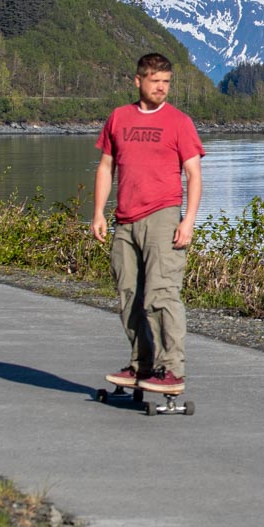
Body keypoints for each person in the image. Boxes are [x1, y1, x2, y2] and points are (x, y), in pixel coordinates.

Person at [92, 53, 204, 394]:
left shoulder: (179, 122)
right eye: (155, 81)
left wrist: (188, 221)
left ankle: (171, 370)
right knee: (129, 295)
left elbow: (194, 175)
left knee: (162, 294)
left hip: (163, 215)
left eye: (167, 82)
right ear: (138, 81)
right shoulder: (119, 118)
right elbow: (105, 166)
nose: (162, 88)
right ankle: (141, 363)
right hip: (125, 219)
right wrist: (98, 212)